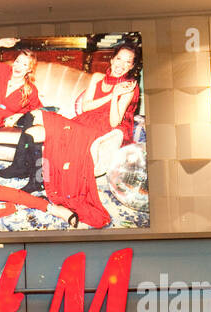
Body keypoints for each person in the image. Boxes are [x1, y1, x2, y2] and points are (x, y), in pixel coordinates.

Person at [27, 41, 142, 228]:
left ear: (131, 66)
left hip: (104, 127)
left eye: (127, 62)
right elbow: (86, 107)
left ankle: (60, 192)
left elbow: (114, 121)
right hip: (85, 120)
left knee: (61, 133)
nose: (121, 65)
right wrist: (111, 92)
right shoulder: (97, 77)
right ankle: (39, 179)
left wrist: (116, 96)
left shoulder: (130, 87)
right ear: (112, 60)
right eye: (119, 59)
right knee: (42, 120)